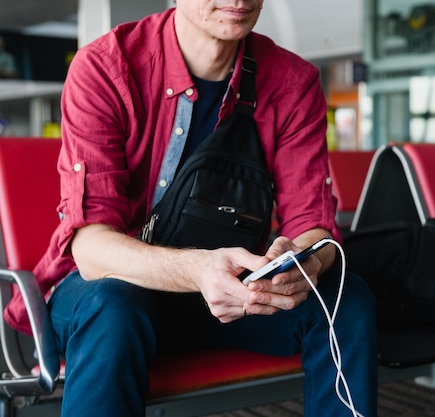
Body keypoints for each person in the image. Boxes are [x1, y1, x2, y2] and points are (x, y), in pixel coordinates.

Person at [4, 1, 378, 416]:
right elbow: (91, 250)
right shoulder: (106, 69)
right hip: (111, 291)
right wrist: (199, 269)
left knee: (345, 297)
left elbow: (316, 226)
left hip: (232, 293)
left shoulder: (292, 82)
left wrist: (300, 264)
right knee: (114, 304)